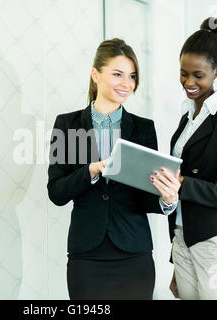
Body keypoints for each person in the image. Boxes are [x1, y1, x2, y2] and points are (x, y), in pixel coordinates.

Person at [47, 38, 180, 300]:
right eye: (117, 74)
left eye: (131, 76)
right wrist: (91, 171)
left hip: (134, 255)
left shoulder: (143, 128)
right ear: (95, 74)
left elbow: (145, 195)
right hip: (87, 258)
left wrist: (167, 199)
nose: (126, 83)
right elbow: (56, 192)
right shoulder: (67, 124)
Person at [152, 17, 217, 299]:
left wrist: (183, 184)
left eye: (198, 75)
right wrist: (175, 258)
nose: (189, 82)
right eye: (183, 73)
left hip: (216, 244)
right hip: (183, 239)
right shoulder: (188, 117)